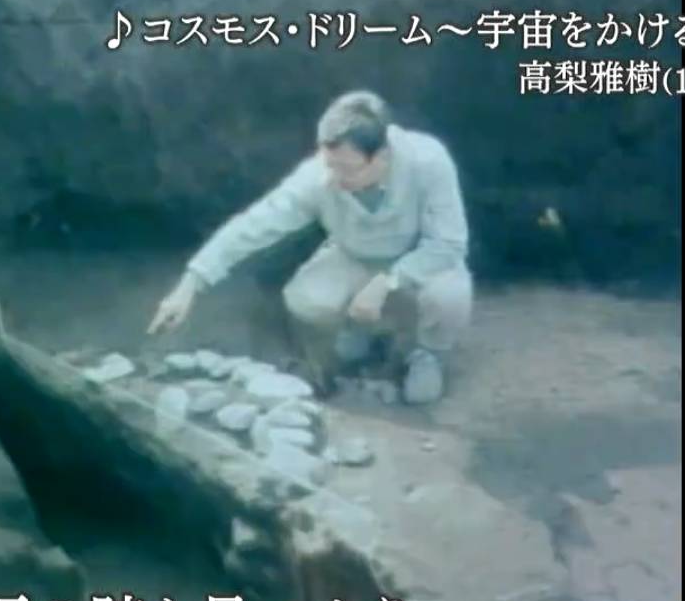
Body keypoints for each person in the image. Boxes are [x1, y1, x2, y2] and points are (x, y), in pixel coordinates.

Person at [146, 90, 474, 405]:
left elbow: (447, 244)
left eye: (346, 169)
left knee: (449, 297)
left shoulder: (428, 162)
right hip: (354, 255)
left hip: (419, 257)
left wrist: (387, 281)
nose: (333, 178)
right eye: (329, 164)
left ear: (381, 157)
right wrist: (191, 283)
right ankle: (360, 327)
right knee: (305, 299)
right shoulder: (319, 176)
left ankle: (428, 352)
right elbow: (253, 225)